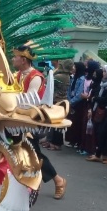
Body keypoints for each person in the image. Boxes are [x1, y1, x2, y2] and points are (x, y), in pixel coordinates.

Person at [12, 44, 67, 200]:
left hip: (31, 121)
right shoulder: (17, 75)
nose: (13, 59)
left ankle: (58, 180)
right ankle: (28, 184)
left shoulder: (35, 77)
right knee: (20, 152)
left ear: (23, 59)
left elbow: (27, 101)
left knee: (33, 153)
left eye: (15, 56)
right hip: (16, 119)